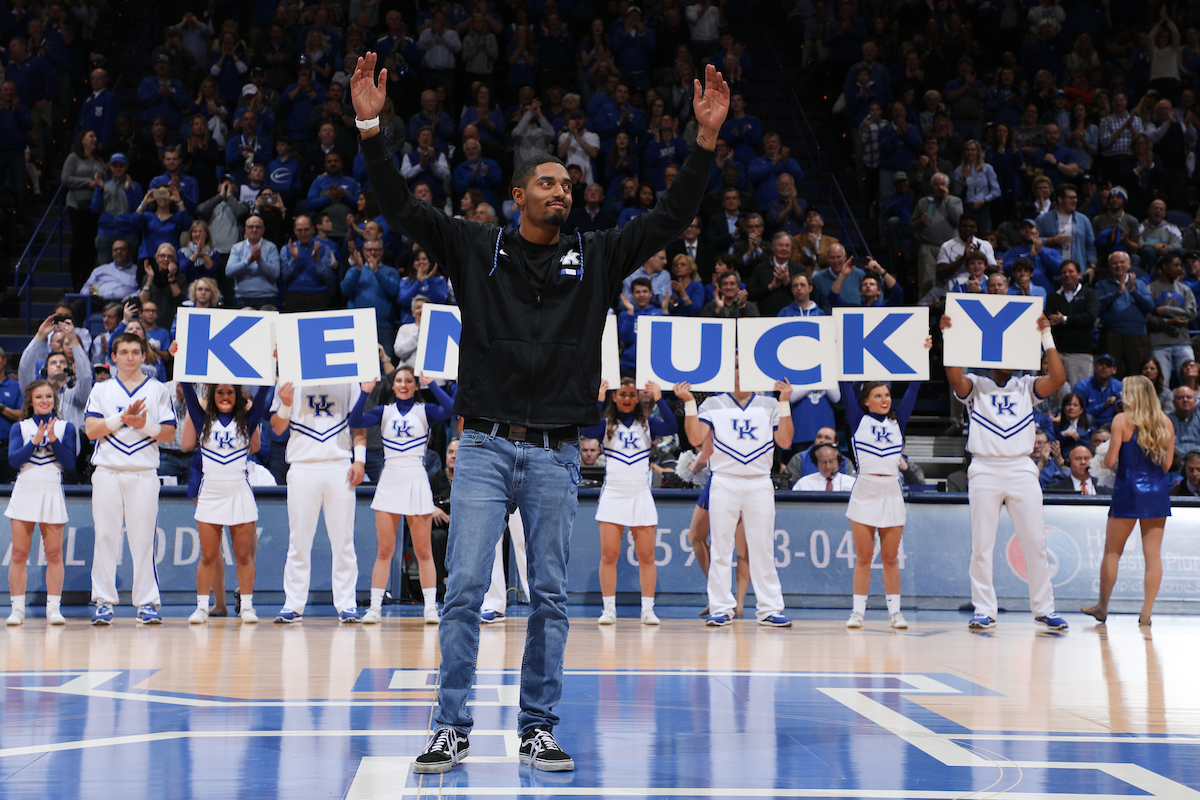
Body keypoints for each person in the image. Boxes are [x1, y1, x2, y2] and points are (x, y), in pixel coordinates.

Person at [353, 53, 729, 775]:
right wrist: (370, 127)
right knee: (464, 590)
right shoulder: (474, 246)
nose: (564, 190)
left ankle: (537, 726)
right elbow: (400, 210)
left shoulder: (596, 254)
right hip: (486, 447)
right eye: (549, 182)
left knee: (550, 598)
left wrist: (705, 139)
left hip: (558, 452)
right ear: (519, 192)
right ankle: (450, 726)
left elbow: (671, 216)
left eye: (569, 183)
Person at [940, 312, 1069, 631]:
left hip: (1021, 467)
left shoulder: (1026, 385)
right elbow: (955, 378)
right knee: (982, 544)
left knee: (1036, 542)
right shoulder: (977, 385)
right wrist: (950, 337)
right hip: (984, 467)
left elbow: (1058, 379)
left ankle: (1044, 608)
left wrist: (1046, 337)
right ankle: (984, 609)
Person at [678, 369, 794, 628]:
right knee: (720, 547)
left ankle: (770, 608)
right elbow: (696, 437)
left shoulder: (771, 404)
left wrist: (785, 402)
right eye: (735, 367)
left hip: (760, 481)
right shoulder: (712, 403)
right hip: (724, 480)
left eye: (745, 367)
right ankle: (720, 607)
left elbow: (785, 441)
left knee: (762, 547)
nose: (740, 373)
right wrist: (688, 403)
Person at [349, 368, 454, 625]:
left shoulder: (425, 410)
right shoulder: (383, 411)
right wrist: (364, 393)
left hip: (416, 478)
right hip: (390, 478)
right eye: (399, 381)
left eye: (409, 381)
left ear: (415, 385)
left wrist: (434, 385)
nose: (404, 385)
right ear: (393, 385)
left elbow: (451, 409)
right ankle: (374, 607)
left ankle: (430, 607)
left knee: (423, 550)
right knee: (384, 550)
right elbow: (354, 422)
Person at [84, 333, 177, 625]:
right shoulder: (101, 389)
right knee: (105, 538)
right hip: (108, 472)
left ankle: (147, 603)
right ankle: (103, 602)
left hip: (143, 473)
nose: (129, 357)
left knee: (143, 540)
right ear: (113, 357)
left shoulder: (159, 389)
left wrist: (143, 424)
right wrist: (121, 419)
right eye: (123, 352)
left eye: (135, 352)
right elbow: (90, 430)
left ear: (144, 355)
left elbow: (169, 433)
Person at [839, 345, 929, 629]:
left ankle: (895, 613)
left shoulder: (897, 422)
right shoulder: (858, 420)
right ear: (866, 401)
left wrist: (922, 353)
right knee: (864, 557)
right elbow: (843, 385)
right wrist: (841, 351)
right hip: (865, 490)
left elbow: (914, 389)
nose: (885, 399)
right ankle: (858, 612)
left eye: (887, 395)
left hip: (891, 491)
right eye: (878, 395)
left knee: (890, 558)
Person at [269, 378, 367, 623]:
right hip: (302, 466)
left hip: (339, 465)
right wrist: (286, 403)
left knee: (343, 541)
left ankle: (347, 604)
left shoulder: (349, 379)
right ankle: (293, 603)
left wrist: (360, 460)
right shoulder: (288, 378)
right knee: (298, 541)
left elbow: (358, 425)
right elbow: (276, 428)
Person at [581, 378, 678, 625]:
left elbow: (673, 426)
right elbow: (586, 430)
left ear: (638, 398)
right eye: (622, 393)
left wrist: (658, 398)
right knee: (609, 555)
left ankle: (647, 609)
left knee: (646, 556)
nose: (627, 398)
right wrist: (598, 398)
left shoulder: (649, 424)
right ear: (616, 397)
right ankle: (609, 609)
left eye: (632, 394)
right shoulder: (604, 424)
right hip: (613, 494)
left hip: (640, 495)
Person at [1082, 375, 1175, 626]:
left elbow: (1111, 462)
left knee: (1112, 552)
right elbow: (1167, 466)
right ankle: (1146, 613)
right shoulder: (1166, 422)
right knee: (1153, 555)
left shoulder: (1122, 420)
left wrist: (1102, 460)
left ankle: (1102, 607)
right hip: (1156, 492)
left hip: (1127, 491)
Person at [178, 382, 270, 624]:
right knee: (208, 556)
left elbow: (262, 395)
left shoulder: (248, 421)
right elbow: (187, 390)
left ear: (237, 396)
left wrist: (273, 364)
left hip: (239, 492)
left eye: (230, 392)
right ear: (212, 395)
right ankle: (201, 607)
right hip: (210, 493)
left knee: (243, 555)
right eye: (220, 392)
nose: (225, 396)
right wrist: (179, 360)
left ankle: (247, 606)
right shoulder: (201, 420)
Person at [5, 380, 76, 625]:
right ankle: (17, 610)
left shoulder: (67, 428)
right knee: (19, 554)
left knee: (55, 554)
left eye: (49, 396)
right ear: (31, 402)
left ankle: (53, 609)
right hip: (25, 489)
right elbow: (14, 461)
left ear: (54, 400)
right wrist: (35, 440)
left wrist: (53, 439)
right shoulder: (20, 428)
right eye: (39, 397)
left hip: (52, 489)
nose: (44, 400)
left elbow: (69, 463)